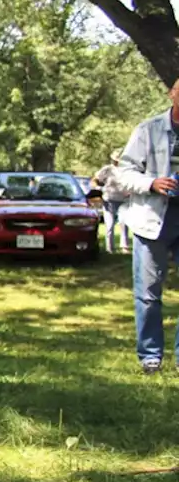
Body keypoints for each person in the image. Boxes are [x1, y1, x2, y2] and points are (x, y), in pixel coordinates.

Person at [113, 77, 179, 373]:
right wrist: (151, 182)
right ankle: (150, 356)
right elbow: (123, 173)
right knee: (149, 293)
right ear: (172, 94)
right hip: (152, 220)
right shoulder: (148, 130)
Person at [91, 151, 130, 254]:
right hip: (109, 200)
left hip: (124, 200)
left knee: (124, 222)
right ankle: (110, 248)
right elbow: (94, 180)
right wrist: (99, 188)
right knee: (110, 225)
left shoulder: (127, 170)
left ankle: (124, 247)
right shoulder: (108, 169)